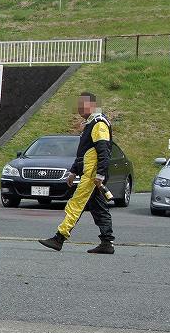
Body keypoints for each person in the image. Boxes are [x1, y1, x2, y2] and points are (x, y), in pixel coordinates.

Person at [39, 92, 114, 254]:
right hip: (90, 174)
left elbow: (104, 151)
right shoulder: (91, 123)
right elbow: (83, 152)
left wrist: (100, 175)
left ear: (92, 105)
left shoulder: (98, 123)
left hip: (91, 175)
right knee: (98, 208)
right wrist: (73, 171)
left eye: (82, 104)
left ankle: (59, 238)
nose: (79, 108)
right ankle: (107, 242)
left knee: (76, 204)